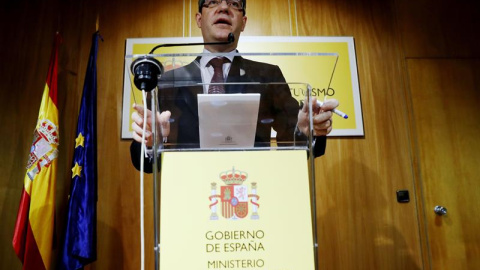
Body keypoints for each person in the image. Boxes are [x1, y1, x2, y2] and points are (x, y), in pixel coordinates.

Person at [130, 0, 339, 172]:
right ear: (199, 19)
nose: (223, 8)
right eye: (212, 2)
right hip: (189, 192)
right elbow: (145, 163)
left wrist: (306, 131)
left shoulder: (267, 75)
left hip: (252, 188)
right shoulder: (168, 82)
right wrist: (151, 142)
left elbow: (296, 141)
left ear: (244, 22)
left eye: (234, 3)